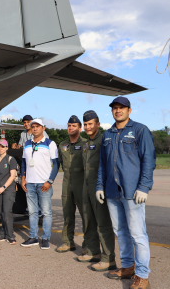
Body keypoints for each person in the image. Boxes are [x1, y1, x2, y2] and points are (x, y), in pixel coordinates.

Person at [97, 97, 156, 289]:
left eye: (121, 108)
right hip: (112, 191)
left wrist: (144, 187)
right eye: (115, 108)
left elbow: (149, 159)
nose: (118, 111)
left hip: (133, 191)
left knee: (138, 234)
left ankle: (142, 274)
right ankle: (128, 266)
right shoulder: (108, 134)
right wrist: (100, 186)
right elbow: (102, 165)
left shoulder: (140, 130)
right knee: (120, 232)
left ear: (129, 110)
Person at [78, 110, 116, 272]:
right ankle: (94, 251)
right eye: (85, 124)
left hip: (100, 188)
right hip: (86, 188)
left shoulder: (104, 140)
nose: (87, 127)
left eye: (90, 124)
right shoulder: (86, 143)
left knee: (103, 223)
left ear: (98, 124)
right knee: (88, 221)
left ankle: (109, 258)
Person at [20, 119, 60, 249]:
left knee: (46, 212)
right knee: (32, 212)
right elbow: (23, 163)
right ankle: (33, 237)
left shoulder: (50, 143)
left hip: (44, 184)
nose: (35, 128)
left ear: (43, 128)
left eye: (38, 126)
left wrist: (50, 181)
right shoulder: (27, 144)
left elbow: (56, 164)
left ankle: (46, 238)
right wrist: (23, 178)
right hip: (30, 183)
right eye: (33, 126)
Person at [56, 116, 88, 254]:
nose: (70, 128)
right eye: (69, 125)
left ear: (80, 128)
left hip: (81, 184)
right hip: (66, 183)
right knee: (67, 214)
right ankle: (68, 242)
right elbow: (60, 163)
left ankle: (88, 245)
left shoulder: (86, 143)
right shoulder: (62, 145)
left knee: (86, 216)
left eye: (74, 126)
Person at [0, 139, 18, 244]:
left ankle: (10, 236)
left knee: (7, 212)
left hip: (8, 189)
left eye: (3, 146)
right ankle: (3, 233)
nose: (0, 148)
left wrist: (3, 187)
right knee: (2, 213)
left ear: (6, 148)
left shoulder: (11, 159)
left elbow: (12, 175)